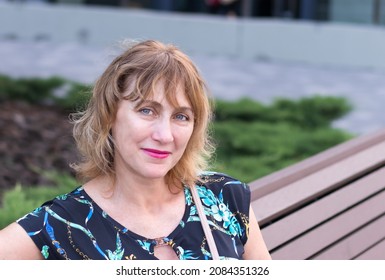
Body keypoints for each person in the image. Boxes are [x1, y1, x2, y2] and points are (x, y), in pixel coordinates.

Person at [0, 39, 271, 260]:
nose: (164, 135)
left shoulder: (225, 197)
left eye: (181, 116)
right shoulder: (61, 225)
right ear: (109, 116)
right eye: (146, 110)